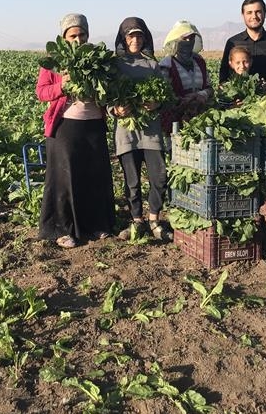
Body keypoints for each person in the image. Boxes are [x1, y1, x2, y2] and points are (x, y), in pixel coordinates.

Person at [35, 13, 116, 248]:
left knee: (95, 176)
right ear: (63, 38)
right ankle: (62, 229)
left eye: (82, 34)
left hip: (94, 125)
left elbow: (108, 91)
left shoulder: (97, 59)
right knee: (64, 178)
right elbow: (41, 92)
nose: (78, 39)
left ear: (88, 35)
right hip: (66, 126)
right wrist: (63, 84)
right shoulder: (53, 61)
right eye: (73, 35)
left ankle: (97, 225)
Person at [110, 17, 172, 242]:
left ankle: (154, 219)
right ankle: (137, 220)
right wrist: (116, 110)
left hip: (151, 131)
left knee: (160, 176)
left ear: (144, 38)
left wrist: (157, 104)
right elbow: (106, 99)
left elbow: (165, 96)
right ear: (123, 39)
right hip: (126, 133)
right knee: (132, 181)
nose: (135, 39)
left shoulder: (152, 64)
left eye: (139, 35)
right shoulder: (115, 65)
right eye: (130, 36)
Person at [219, 0, 266, 92]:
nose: (254, 16)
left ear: (264, 14)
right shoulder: (233, 42)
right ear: (243, 15)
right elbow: (224, 75)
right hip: (239, 103)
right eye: (249, 13)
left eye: (258, 12)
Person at [159, 20, 213, 135]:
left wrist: (201, 95)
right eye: (184, 39)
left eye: (191, 38)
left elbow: (209, 87)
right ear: (176, 40)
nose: (188, 42)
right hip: (175, 124)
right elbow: (164, 96)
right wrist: (182, 102)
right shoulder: (167, 65)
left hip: (201, 121)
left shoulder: (199, 62)